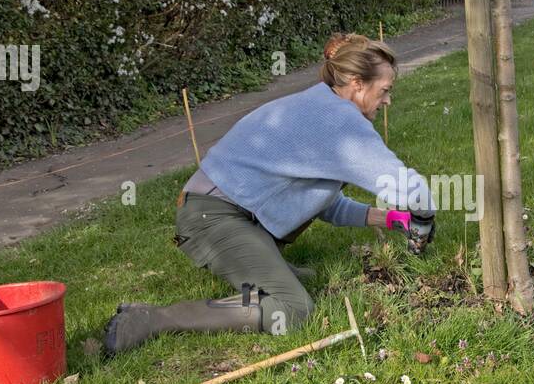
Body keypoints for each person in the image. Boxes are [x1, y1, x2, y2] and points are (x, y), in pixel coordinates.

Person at [103, 32, 435, 356]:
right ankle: (150, 318)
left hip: (222, 212)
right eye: (385, 90)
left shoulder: (319, 105)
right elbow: (408, 187)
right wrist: (423, 218)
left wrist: (393, 219)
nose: (389, 100)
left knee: (308, 277)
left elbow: (322, 203)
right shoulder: (341, 121)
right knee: (293, 309)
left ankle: (264, 280)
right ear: (358, 83)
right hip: (211, 218)